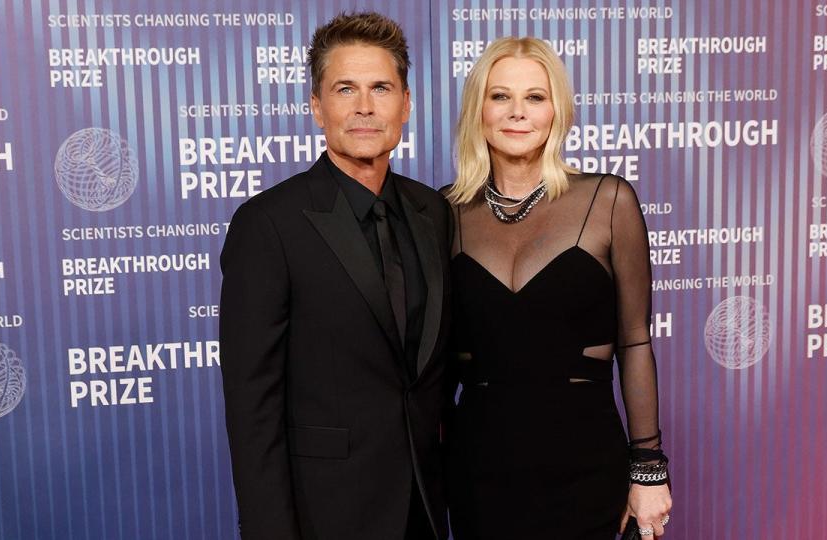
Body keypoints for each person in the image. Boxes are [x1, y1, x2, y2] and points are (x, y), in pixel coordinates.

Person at [219, 12, 453, 540]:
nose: (365, 107)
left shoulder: (432, 211)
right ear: (317, 107)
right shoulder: (268, 225)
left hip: (424, 507)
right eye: (345, 89)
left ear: (406, 104)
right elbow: (252, 405)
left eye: (381, 88)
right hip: (324, 513)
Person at [443, 37, 673, 539]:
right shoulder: (443, 214)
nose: (517, 113)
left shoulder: (608, 201)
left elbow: (634, 343)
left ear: (557, 111)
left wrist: (649, 469)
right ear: (478, 110)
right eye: (500, 96)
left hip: (585, 463)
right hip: (478, 468)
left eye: (535, 97)